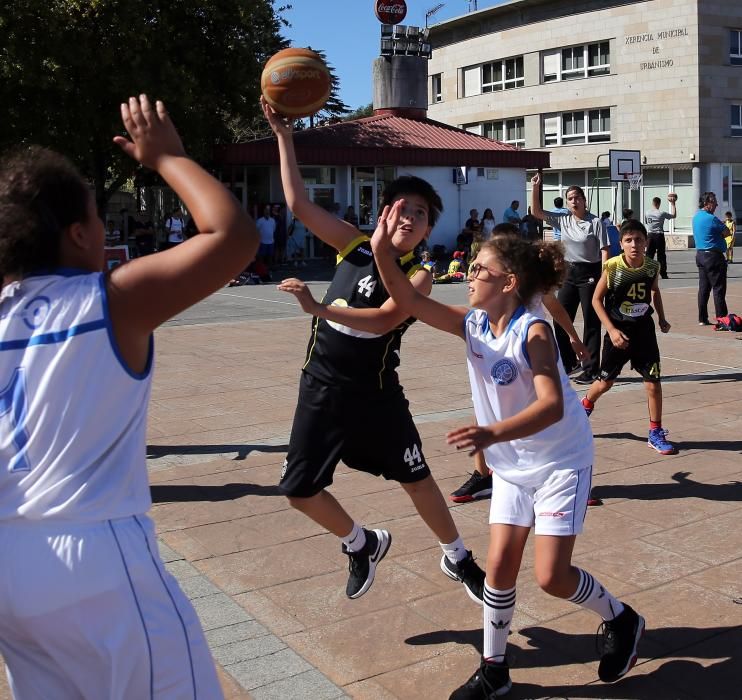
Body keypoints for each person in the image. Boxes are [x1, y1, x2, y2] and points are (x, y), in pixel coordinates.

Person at [0, 95, 258, 699]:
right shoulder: (105, 299)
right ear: (81, 232)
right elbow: (231, 235)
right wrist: (167, 157)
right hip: (94, 558)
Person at [371, 211, 645, 699]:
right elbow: (409, 298)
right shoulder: (472, 324)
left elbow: (551, 404)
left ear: (509, 282)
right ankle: (494, 669)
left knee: (551, 577)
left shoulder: (533, 331)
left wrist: (491, 431)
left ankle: (621, 619)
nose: (469, 275)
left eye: (479, 269)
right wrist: (380, 250)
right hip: (513, 467)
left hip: (561, 460)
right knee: (497, 568)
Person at [262, 98, 485, 603]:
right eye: (403, 208)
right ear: (385, 211)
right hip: (320, 387)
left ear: (428, 229)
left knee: (418, 478)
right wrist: (283, 133)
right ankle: (360, 543)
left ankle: (459, 557)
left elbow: (384, 321)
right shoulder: (355, 245)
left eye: (422, 214)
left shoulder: (419, 274)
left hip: (375, 395)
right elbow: (298, 203)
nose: (411, 216)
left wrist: (319, 310)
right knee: (298, 491)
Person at [450, 223, 590, 504]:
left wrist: (574, 337)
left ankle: (569, 474)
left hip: (532, 349)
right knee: (484, 411)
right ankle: (484, 474)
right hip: (499, 348)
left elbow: (556, 308)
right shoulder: (486, 304)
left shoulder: (529, 279)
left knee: (548, 410)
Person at [581, 220, 677, 455]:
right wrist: (612, 331)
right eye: (628, 240)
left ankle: (655, 431)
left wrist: (662, 319)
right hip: (619, 333)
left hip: (644, 333)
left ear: (646, 242)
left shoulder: (652, 266)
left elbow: (654, 291)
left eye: (639, 240)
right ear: (621, 244)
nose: (634, 244)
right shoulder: (613, 267)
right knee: (605, 383)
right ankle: (582, 408)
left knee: (653, 382)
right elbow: (595, 300)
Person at [530, 173, 610, 384]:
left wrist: (604, 276)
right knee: (561, 318)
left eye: (577, 197)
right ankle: (568, 362)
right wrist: (535, 188)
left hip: (590, 273)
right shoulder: (562, 219)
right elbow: (536, 212)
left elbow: (604, 250)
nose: (574, 201)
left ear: (584, 200)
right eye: (570, 198)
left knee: (591, 322)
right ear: (567, 202)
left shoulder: (596, 222)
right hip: (568, 272)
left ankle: (591, 369)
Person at [693, 192, 729, 326]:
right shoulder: (711, 218)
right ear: (706, 203)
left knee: (703, 288)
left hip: (701, 255)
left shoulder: (696, 217)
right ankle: (722, 319)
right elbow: (727, 232)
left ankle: (702, 318)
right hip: (714, 256)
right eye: (714, 202)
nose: (716, 204)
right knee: (718, 289)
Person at [645, 195, 677, 278]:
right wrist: (673, 204)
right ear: (659, 204)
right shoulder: (661, 213)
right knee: (661, 255)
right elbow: (674, 215)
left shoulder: (647, 212)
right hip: (659, 235)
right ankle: (663, 273)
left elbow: (646, 222)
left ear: (653, 203)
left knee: (649, 255)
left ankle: (648, 273)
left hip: (650, 235)